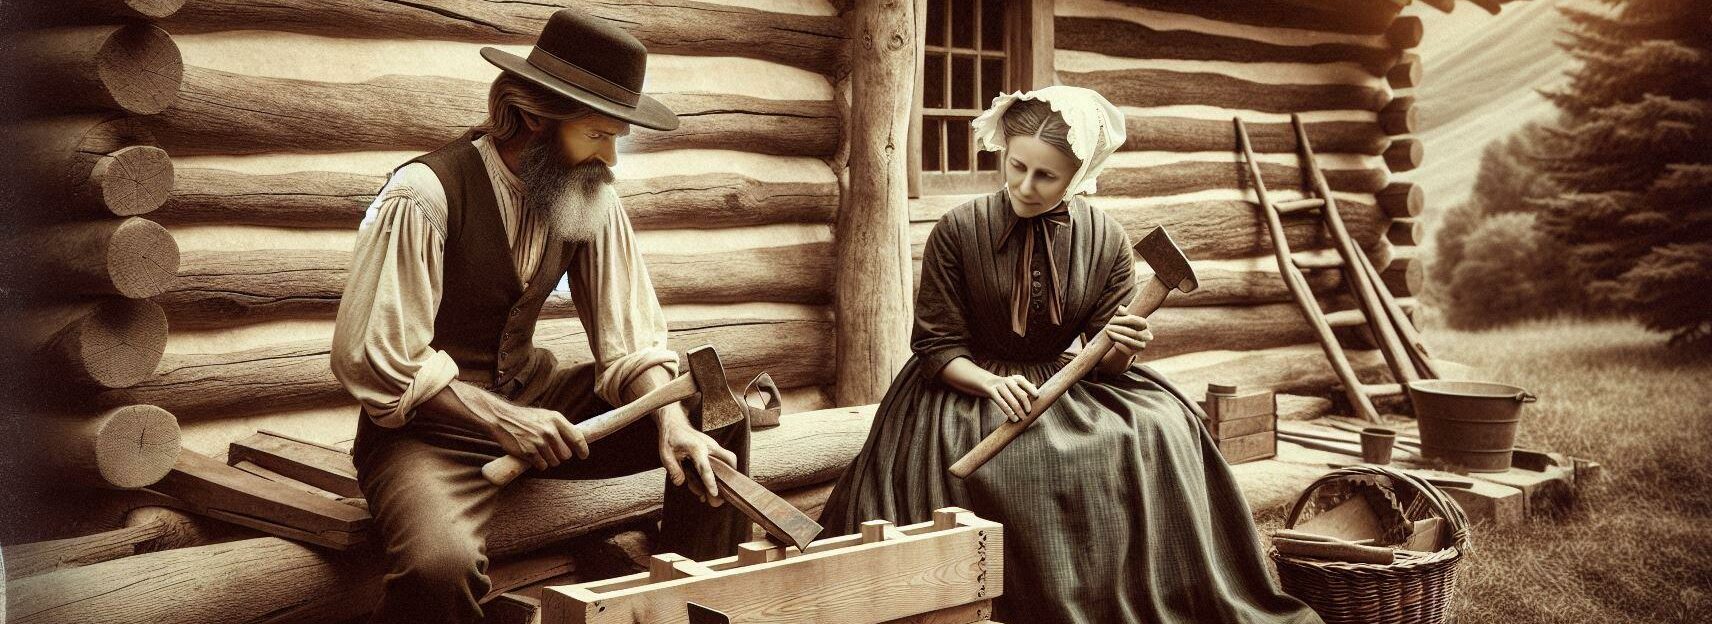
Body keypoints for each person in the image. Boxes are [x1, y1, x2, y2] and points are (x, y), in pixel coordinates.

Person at [819, 86, 1321, 623]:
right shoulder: (959, 230)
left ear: (1078, 176)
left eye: (1046, 176)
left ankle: (1111, 593)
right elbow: (936, 346)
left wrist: (1122, 349)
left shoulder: (1105, 239)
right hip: (962, 384)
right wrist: (991, 385)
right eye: (1017, 167)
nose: (1024, 186)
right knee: (1022, 460)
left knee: (1161, 428)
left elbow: (1101, 357)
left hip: (1063, 378)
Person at [329, 11, 750, 624]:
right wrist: (504, 420)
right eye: (597, 134)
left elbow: (628, 338)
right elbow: (374, 359)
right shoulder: (424, 194)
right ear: (532, 115)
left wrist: (670, 421)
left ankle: (686, 604)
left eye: (616, 137)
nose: (611, 157)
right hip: (429, 432)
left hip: (536, 398)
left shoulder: (588, 192)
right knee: (437, 569)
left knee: (711, 416)